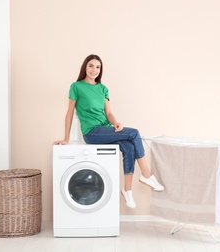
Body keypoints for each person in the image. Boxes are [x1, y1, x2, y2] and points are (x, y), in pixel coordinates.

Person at [54, 54, 164, 208]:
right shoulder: (76, 86)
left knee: (129, 146)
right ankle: (146, 174)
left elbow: (109, 113)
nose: (94, 70)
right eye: (91, 65)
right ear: (85, 66)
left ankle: (127, 191)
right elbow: (69, 113)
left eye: (98, 67)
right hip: (92, 132)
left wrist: (116, 123)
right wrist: (66, 139)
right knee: (134, 133)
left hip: (105, 130)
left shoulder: (103, 89)